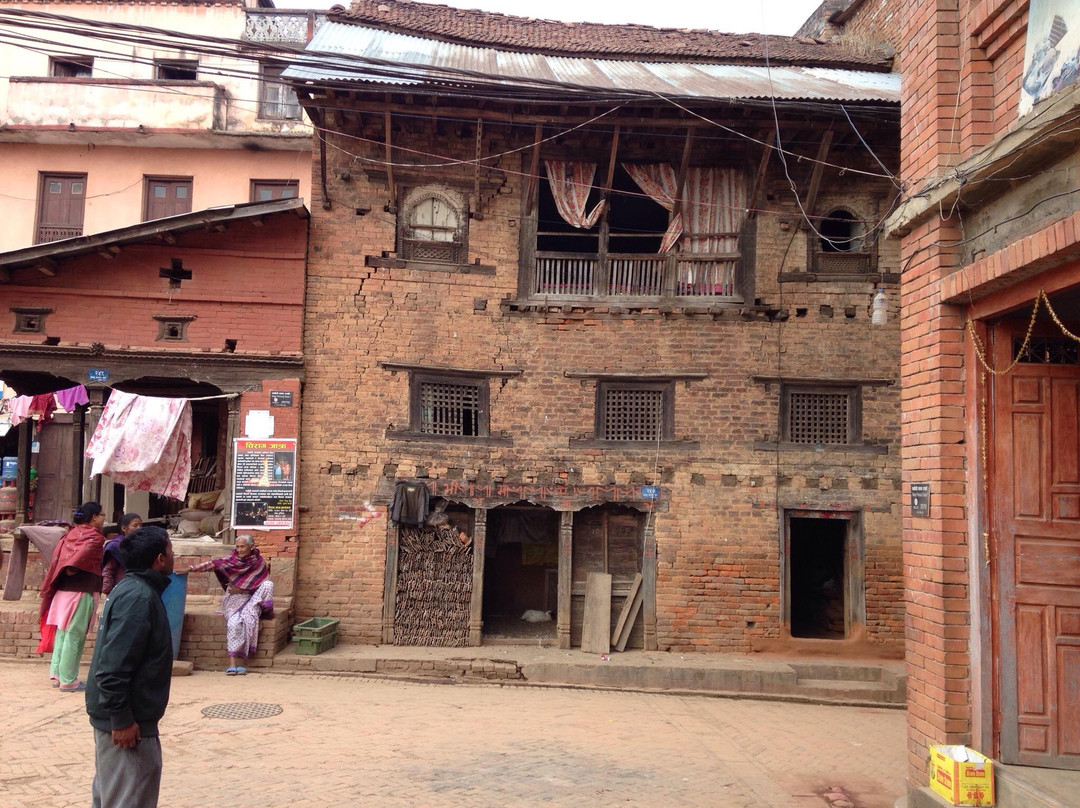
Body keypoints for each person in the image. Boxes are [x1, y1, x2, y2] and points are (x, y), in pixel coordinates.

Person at [85, 526, 175, 808]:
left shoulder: (135, 590)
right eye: (171, 550)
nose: (174, 555)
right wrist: (122, 720)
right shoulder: (138, 597)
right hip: (128, 727)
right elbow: (112, 669)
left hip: (126, 720)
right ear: (160, 559)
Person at [178, 533, 273, 675]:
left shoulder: (258, 562)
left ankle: (260, 614)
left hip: (251, 599)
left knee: (267, 587)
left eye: (243, 547)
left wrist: (242, 589)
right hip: (234, 599)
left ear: (251, 547)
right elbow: (213, 564)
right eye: (238, 546)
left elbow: (260, 584)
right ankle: (232, 664)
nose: (240, 550)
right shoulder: (231, 559)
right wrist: (190, 569)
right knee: (234, 623)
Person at [38, 501, 107, 692]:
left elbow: (67, 557)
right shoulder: (95, 537)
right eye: (102, 515)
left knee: (63, 633)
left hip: (62, 593)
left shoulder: (72, 533)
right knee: (74, 636)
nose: (104, 518)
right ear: (94, 517)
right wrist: (72, 567)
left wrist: (68, 567)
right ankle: (69, 680)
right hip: (80, 592)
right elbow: (80, 557)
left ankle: (59, 675)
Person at [101, 513, 142, 596]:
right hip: (120, 590)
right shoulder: (115, 546)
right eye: (135, 525)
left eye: (140, 525)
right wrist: (109, 592)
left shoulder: (142, 545)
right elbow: (108, 570)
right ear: (124, 528)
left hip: (138, 590)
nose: (139, 528)